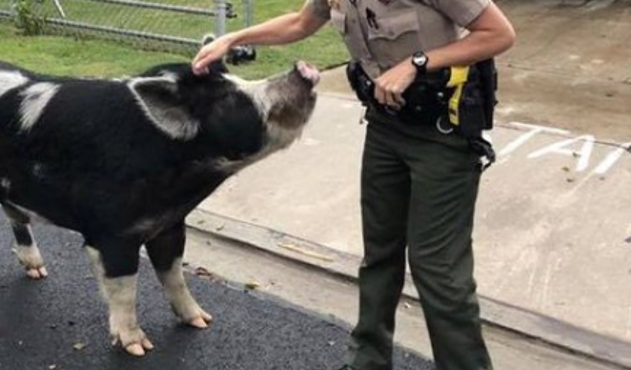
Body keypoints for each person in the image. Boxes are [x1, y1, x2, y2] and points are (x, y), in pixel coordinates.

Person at [193, 1, 515, 369]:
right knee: (379, 254)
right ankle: (368, 360)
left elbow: (498, 33)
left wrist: (417, 63)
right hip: (385, 128)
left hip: (444, 135)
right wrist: (234, 37)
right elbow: (300, 23)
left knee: (437, 268)